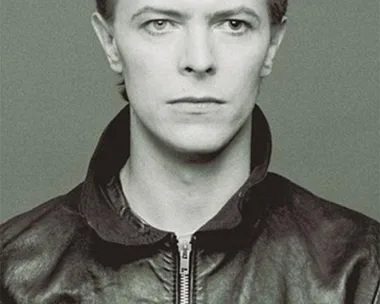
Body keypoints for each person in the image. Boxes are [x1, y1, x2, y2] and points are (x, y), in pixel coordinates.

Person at [1, 0, 379, 303]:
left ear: (272, 44)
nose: (199, 60)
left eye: (233, 24)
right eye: (160, 23)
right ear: (110, 42)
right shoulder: (13, 271)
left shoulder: (360, 270)